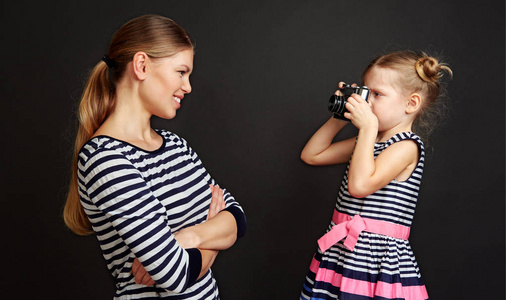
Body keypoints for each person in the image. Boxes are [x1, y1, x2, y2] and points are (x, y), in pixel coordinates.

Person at [63, 14, 246, 299]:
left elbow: (236, 217)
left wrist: (188, 237)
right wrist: (212, 233)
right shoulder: (105, 160)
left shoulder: (175, 145)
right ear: (142, 65)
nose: (188, 87)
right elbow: (175, 275)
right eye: (181, 72)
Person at [299, 50, 452, 300]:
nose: (367, 103)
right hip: (342, 252)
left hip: (374, 263)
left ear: (411, 103)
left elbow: (360, 186)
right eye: (366, 93)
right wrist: (341, 117)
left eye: (377, 95)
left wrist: (368, 126)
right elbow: (313, 155)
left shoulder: (406, 146)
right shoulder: (367, 141)